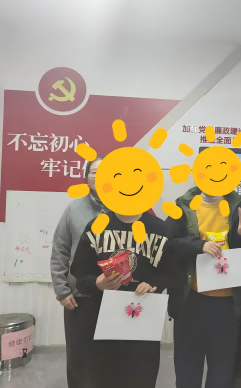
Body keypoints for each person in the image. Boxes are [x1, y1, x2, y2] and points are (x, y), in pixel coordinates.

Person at [166, 186, 241, 388]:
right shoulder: (183, 206)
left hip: (228, 305)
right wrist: (198, 245)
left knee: (222, 372)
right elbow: (168, 244)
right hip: (190, 301)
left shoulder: (239, 206)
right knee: (187, 371)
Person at [70, 208, 175, 388]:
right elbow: (79, 277)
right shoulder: (97, 226)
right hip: (104, 321)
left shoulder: (159, 228)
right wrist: (96, 283)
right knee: (104, 378)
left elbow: (172, 272)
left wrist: (154, 284)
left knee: (142, 378)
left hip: (144, 321)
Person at [50, 157, 107, 388]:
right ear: (86, 178)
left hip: (115, 295)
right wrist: (62, 291)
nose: (100, 176)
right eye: (94, 172)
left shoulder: (126, 208)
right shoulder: (74, 209)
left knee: (110, 357)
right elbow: (60, 251)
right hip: (79, 297)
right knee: (79, 357)